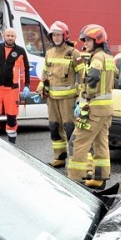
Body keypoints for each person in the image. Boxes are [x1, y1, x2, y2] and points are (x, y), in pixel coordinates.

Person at [67, 24, 115, 188]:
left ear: (98, 40)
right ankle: (100, 178)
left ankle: (75, 180)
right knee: (100, 142)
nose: (85, 43)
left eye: (88, 40)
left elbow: (93, 77)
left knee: (77, 141)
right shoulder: (109, 57)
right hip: (106, 109)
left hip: (94, 109)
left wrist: (86, 97)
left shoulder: (97, 58)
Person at [38, 21, 78, 167]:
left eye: (58, 35)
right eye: (53, 35)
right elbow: (45, 73)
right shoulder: (49, 53)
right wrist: (41, 86)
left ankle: (75, 159)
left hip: (68, 99)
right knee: (54, 127)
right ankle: (59, 157)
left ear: (65, 36)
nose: (55, 38)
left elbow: (82, 75)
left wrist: (80, 97)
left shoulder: (74, 53)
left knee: (70, 129)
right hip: (52, 99)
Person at [0, 27, 30, 144]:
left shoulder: (20, 51)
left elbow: (25, 69)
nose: (10, 38)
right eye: (8, 35)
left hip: (11, 90)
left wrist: (27, 85)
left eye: (12, 36)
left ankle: (12, 142)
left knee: (12, 116)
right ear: (4, 36)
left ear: (15, 37)